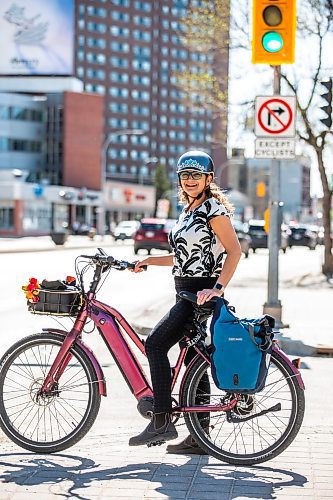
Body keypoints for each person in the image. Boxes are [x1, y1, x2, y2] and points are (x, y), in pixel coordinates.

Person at [128, 150, 242, 452]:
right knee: (193, 360)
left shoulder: (213, 209)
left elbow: (235, 251)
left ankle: (162, 421)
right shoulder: (189, 210)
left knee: (154, 344)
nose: (190, 180)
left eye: (196, 175)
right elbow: (184, 256)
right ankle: (199, 437)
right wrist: (150, 260)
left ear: (208, 179)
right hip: (186, 291)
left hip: (199, 295)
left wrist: (217, 288)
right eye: (185, 175)